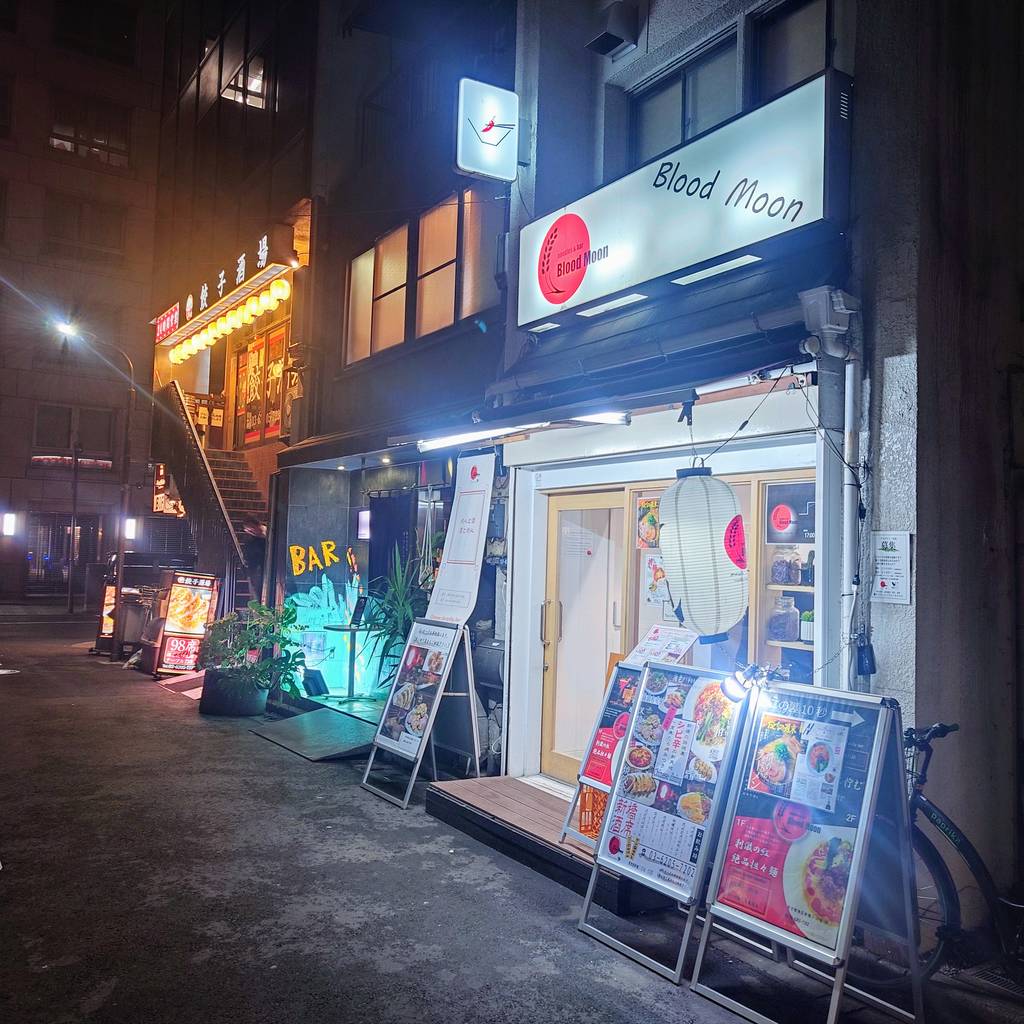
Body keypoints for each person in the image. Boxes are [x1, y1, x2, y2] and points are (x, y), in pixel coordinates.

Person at [240, 515, 267, 600]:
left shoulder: (271, 531)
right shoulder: (251, 542)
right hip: (259, 570)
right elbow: (249, 558)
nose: (251, 532)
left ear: (257, 525)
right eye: (248, 530)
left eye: (251, 529)